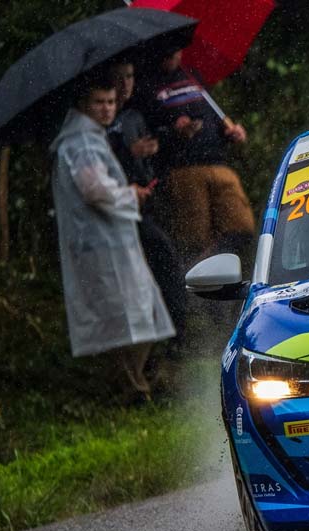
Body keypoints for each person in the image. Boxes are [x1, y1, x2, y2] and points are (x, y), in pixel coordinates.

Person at [50, 76, 175, 401]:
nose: (106, 109)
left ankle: (135, 384)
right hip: (100, 242)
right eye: (98, 103)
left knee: (137, 309)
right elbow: (94, 190)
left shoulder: (90, 137)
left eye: (110, 102)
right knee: (121, 314)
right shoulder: (81, 141)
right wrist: (128, 194)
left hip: (111, 238)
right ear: (83, 105)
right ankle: (129, 388)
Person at [136, 47, 255, 268]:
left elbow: (212, 116)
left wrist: (229, 131)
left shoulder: (193, 75)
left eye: (176, 48)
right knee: (195, 240)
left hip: (217, 163)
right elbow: (147, 134)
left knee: (242, 228)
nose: (173, 54)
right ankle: (198, 290)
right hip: (182, 169)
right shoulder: (146, 85)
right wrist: (173, 131)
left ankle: (217, 275)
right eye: (167, 48)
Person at [107, 61, 187, 350]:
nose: (125, 83)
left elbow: (155, 153)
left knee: (165, 263)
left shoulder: (134, 114)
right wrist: (127, 153)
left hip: (147, 202)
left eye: (129, 76)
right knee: (149, 272)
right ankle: (163, 342)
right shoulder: (102, 118)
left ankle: (174, 338)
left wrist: (161, 143)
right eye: (119, 77)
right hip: (120, 210)